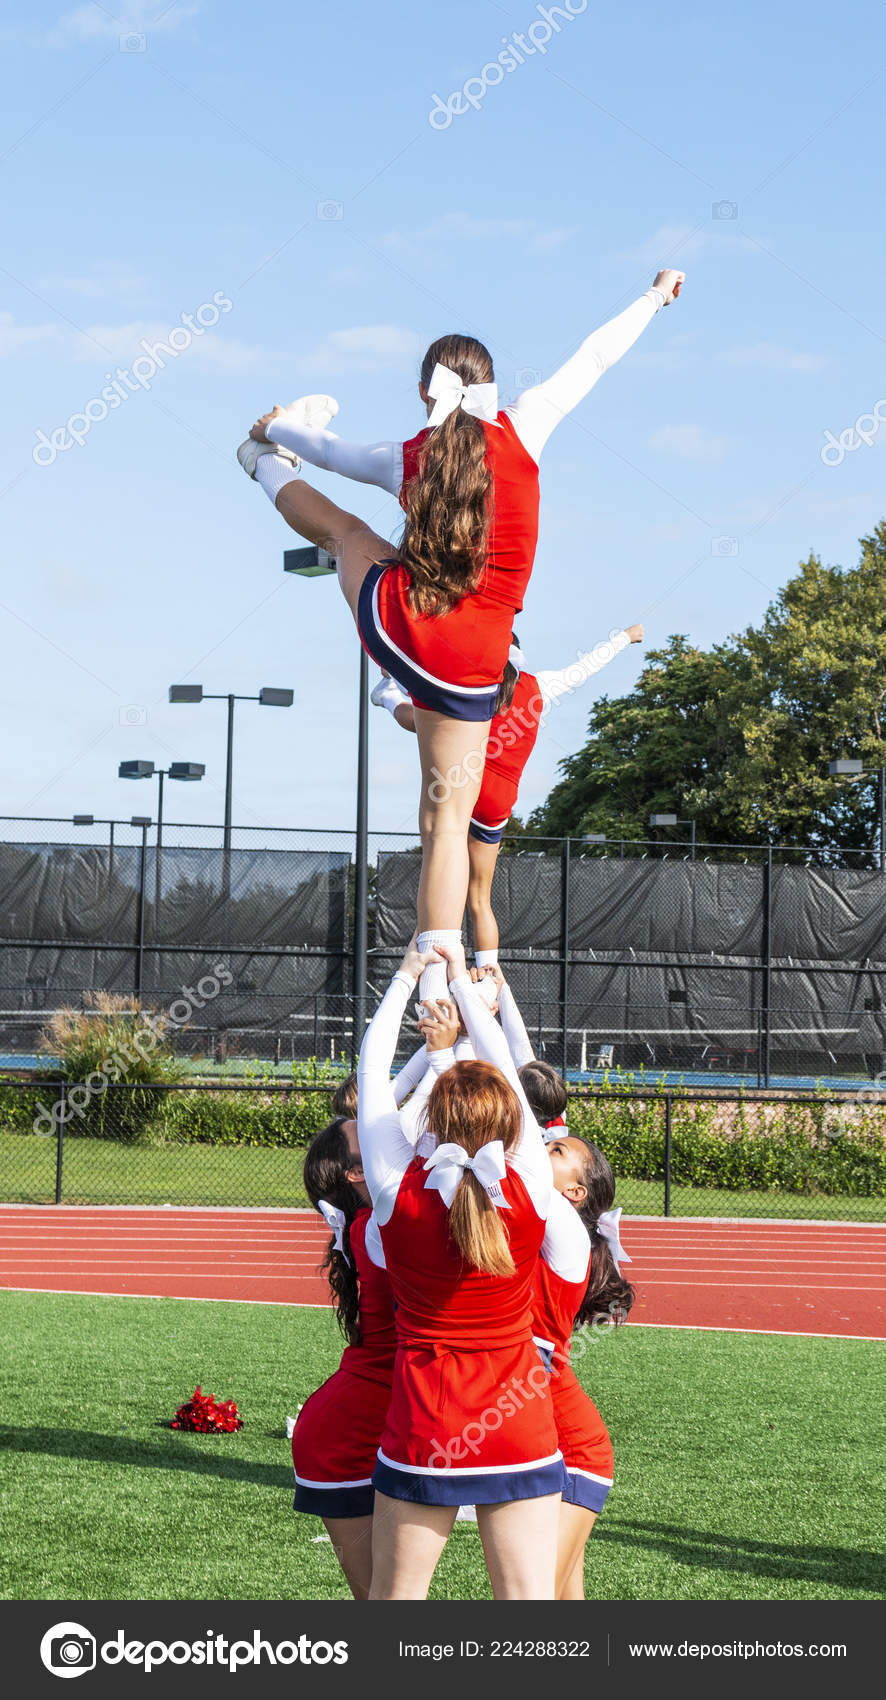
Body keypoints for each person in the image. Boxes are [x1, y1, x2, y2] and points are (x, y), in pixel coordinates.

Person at [239, 270, 684, 1008]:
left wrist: (277, 428)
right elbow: (596, 357)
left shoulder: (405, 455)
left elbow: (334, 451)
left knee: (348, 531)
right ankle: (436, 982)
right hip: (472, 668)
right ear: (493, 386)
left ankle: (256, 467)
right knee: (445, 824)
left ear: (426, 393)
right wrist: (652, 295)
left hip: (402, 626)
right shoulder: (528, 421)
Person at [355, 936, 565, 1600]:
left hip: (425, 1422)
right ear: (512, 1121)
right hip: (518, 1418)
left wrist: (411, 974)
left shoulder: (394, 1189)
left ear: (436, 1119)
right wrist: (476, 995)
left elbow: (370, 1076)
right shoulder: (531, 1183)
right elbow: (505, 1063)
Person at [372, 622, 644, 967]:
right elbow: (586, 667)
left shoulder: (470, 679)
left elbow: (427, 677)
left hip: (461, 786)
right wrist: (624, 637)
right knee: (478, 900)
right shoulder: (539, 686)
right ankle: (489, 976)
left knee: (442, 882)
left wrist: (392, 670)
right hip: (497, 802)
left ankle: (434, 975)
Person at [293, 1115, 395, 1598]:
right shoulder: (378, 1224)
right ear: (357, 1173)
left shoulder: (383, 1215)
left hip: (372, 1422)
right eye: (369, 1137)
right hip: (341, 1444)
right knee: (383, 1600)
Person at [539, 1133, 635, 1598]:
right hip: (545, 1447)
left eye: (557, 1151)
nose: (542, 1148)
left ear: (575, 1193)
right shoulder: (537, 1221)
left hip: (574, 1453)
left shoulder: (566, 1231)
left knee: (535, 1590)